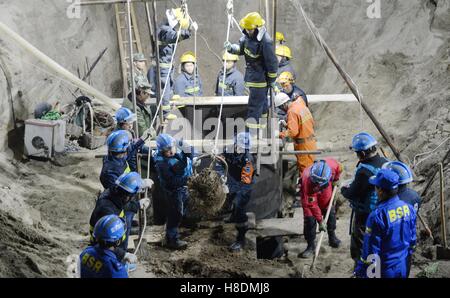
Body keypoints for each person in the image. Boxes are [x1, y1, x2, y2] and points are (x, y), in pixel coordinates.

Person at [354, 169, 416, 278]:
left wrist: (362, 272)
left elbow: (371, 252)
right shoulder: (408, 208)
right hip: (402, 266)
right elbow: (412, 239)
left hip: (385, 270)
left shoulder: (377, 216)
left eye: (375, 187)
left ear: (380, 191)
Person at [224, 12, 278, 131]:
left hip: (260, 80)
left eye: (250, 29)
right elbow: (242, 49)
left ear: (257, 27)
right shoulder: (247, 37)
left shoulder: (265, 41)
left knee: (254, 106)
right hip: (252, 76)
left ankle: (250, 135)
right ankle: (260, 133)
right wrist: (231, 48)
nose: (248, 31)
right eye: (247, 29)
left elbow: (272, 62)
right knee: (262, 105)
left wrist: (272, 79)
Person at [341, 132, 388, 266]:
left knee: (361, 245)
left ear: (361, 154)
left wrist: (344, 189)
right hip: (383, 210)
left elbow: (352, 193)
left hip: (366, 214)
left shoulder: (364, 171)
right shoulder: (385, 162)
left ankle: (361, 271)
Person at [89, 172, 152, 269]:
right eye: (132, 196)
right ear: (126, 196)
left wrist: (137, 204)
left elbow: (121, 205)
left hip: (110, 241)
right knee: (110, 267)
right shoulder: (107, 210)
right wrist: (123, 255)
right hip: (103, 246)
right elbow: (106, 245)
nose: (131, 198)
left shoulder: (115, 193)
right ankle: (119, 264)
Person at [148, 7, 196, 121]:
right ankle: (165, 112)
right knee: (164, 88)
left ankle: (169, 97)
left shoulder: (167, 26)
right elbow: (174, 36)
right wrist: (189, 31)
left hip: (168, 64)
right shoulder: (165, 30)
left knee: (169, 83)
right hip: (163, 65)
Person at [153, 134, 194, 249]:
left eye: (172, 148)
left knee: (180, 211)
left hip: (182, 188)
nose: (171, 152)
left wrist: (187, 148)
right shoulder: (163, 164)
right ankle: (172, 239)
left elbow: (188, 157)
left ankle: (174, 230)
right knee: (176, 213)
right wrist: (188, 180)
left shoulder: (174, 153)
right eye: (167, 151)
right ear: (161, 151)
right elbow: (172, 182)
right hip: (174, 191)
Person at [298, 159, 343, 258]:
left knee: (330, 214)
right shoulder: (307, 179)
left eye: (320, 183)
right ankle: (310, 246)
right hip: (309, 196)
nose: (318, 184)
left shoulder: (333, 165)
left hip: (326, 191)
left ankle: (332, 238)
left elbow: (339, 169)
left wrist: (336, 180)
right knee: (310, 220)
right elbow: (312, 205)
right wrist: (320, 221)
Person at [221, 132, 255, 252]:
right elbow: (222, 159)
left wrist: (236, 191)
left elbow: (245, 180)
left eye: (243, 148)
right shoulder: (229, 149)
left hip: (244, 185)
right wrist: (222, 176)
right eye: (238, 146)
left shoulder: (248, 160)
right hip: (234, 180)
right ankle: (232, 216)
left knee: (239, 206)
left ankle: (241, 240)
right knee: (229, 199)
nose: (240, 149)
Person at [275, 92, 317, 175]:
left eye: (281, 108)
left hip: (303, 146)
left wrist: (279, 134)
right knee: (310, 168)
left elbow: (293, 132)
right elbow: (301, 124)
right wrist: (287, 125)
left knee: (305, 172)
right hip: (310, 143)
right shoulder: (300, 104)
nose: (283, 110)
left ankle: (305, 187)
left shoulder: (292, 111)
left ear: (284, 105)